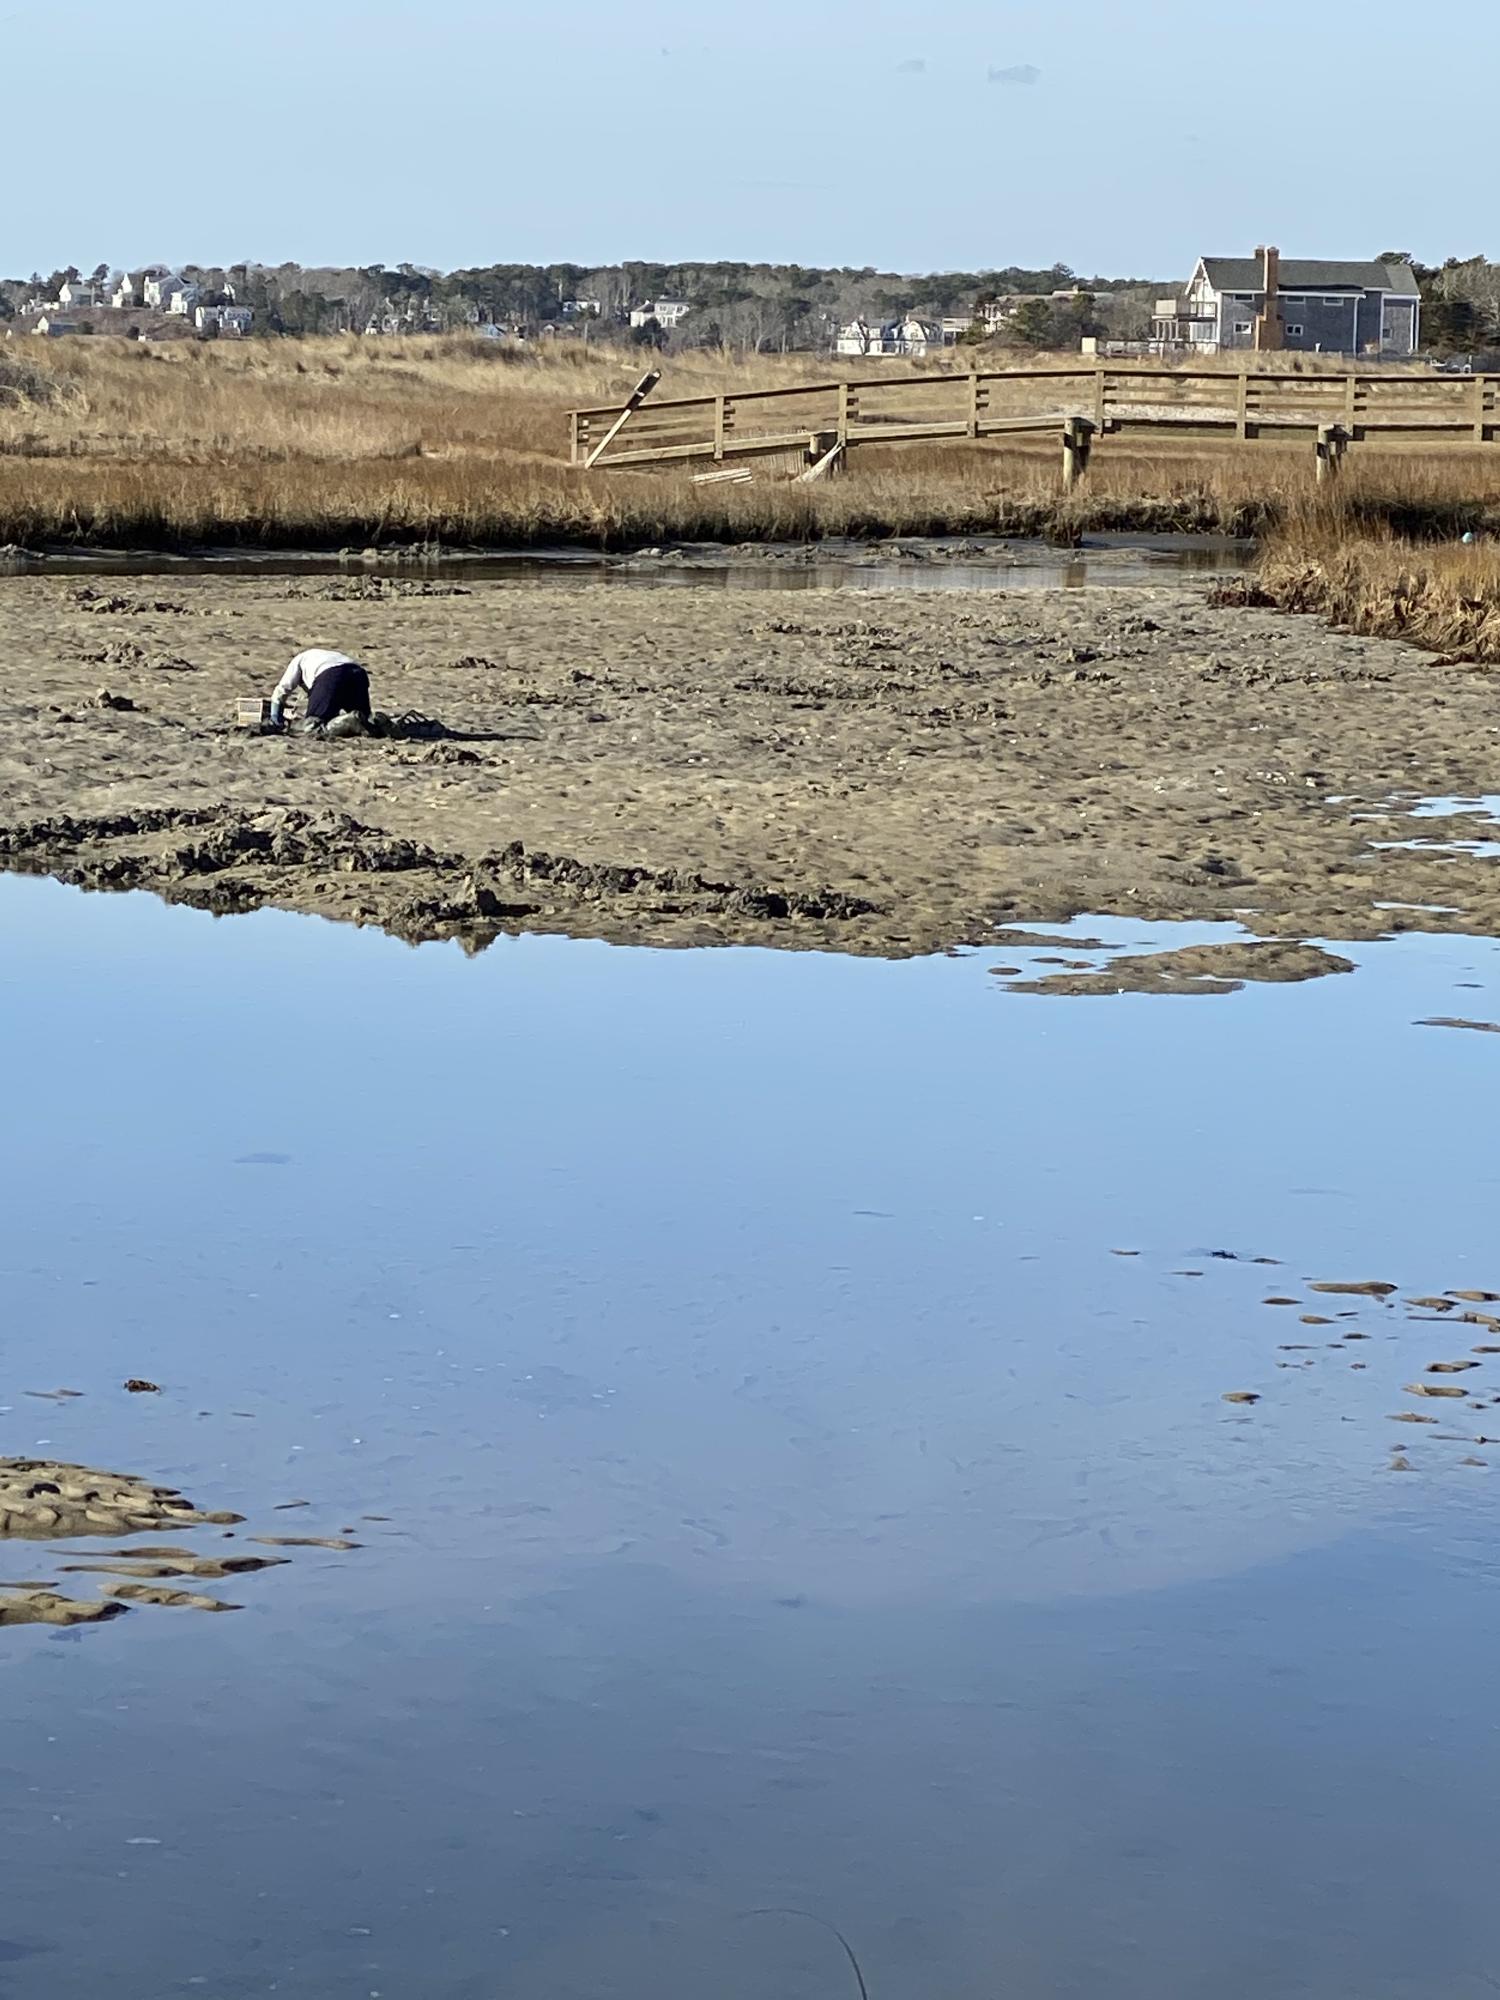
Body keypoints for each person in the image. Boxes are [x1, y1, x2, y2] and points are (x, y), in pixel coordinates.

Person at [268, 648, 372, 733]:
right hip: (358, 674)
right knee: (366, 721)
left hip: (332, 675)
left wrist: (274, 716)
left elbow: (282, 689)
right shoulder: (320, 656)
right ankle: (377, 722)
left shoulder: (298, 660)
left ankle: (350, 721)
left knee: (313, 725)